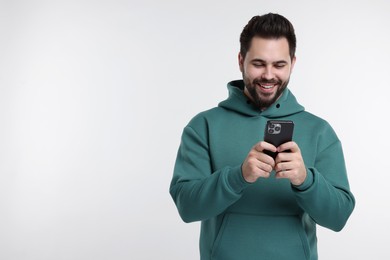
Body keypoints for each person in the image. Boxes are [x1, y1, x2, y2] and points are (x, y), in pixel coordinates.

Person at [169, 13, 355, 260]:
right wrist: (239, 176)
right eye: (258, 64)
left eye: (279, 65)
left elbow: (339, 217)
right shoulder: (203, 125)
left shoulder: (319, 131)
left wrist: (306, 180)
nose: (269, 75)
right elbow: (187, 207)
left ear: (293, 63)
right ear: (240, 60)